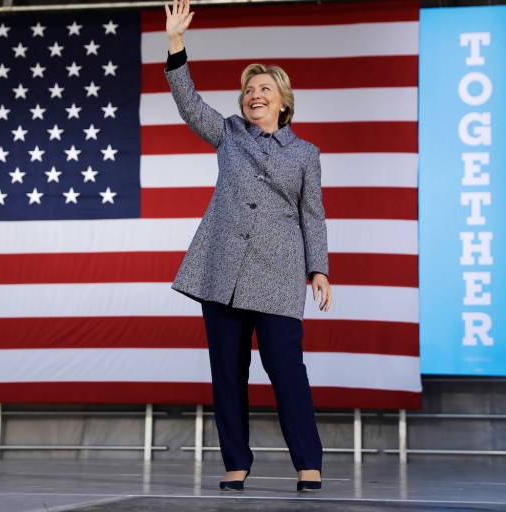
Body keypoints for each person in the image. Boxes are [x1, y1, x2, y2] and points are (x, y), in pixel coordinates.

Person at [164, 0, 332, 493]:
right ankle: (235, 462)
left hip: (278, 274)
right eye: (248, 89)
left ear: (283, 102)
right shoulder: (229, 134)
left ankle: (308, 462)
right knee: (227, 375)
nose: (254, 94)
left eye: (264, 88)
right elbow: (189, 102)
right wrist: (176, 44)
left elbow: (312, 214)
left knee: (286, 370)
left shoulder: (305, 154)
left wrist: (318, 269)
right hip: (222, 273)